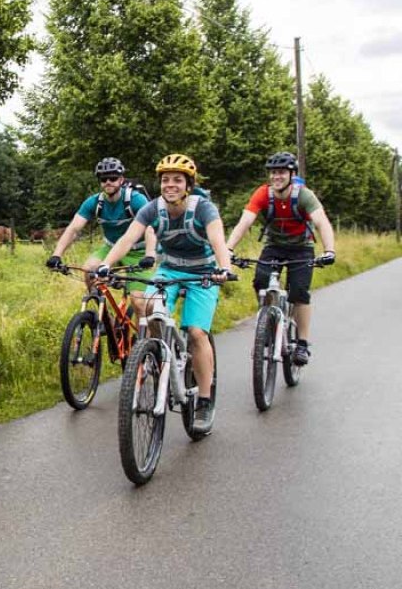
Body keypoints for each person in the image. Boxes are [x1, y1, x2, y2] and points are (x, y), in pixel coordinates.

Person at [96, 153, 235, 432]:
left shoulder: (204, 209)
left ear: (188, 185)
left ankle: (204, 400)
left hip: (203, 273)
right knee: (148, 307)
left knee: (196, 333)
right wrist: (106, 264)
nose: (170, 185)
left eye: (177, 180)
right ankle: (159, 353)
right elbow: (127, 238)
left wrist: (224, 267)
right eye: (165, 180)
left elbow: (218, 240)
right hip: (169, 270)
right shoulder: (153, 209)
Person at [224, 151, 336, 365]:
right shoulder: (263, 194)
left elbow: (322, 222)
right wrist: (228, 248)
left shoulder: (304, 195)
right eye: (273, 172)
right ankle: (268, 321)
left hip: (301, 248)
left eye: (282, 172)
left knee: (299, 293)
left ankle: (302, 343)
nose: (277, 177)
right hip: (274, 246)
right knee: (260, 281)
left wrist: (329, 250)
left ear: (292, 175)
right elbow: (245, 222)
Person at [46, 157, 158, 308]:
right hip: (110, 248)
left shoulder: (136, 200)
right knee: (89, 270)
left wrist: (150, 254)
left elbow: (151, 228)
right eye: (103, 179)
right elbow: (73, 229)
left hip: (138, 251)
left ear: (121, 180)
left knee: (139, 303)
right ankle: (102, 315)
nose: (108, 182)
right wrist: (56, 255)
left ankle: (142, 322)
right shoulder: (94, 202)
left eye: (113, 178)